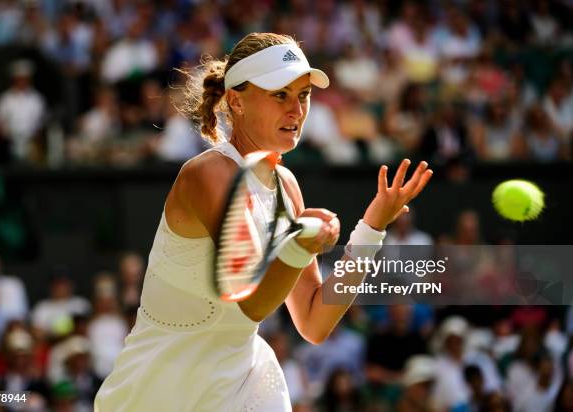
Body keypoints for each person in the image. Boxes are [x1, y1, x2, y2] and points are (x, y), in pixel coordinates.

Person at [94, 32, 432, 411]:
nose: (297, 110)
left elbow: (314, 321)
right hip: (156, 394)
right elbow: (251, 303)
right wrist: (299, 242)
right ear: (236, 101)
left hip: (243, 387)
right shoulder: (208, 174)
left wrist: (371, 227)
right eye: (280, 95)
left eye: (302, 95)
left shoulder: (287, 186)